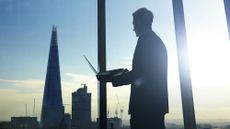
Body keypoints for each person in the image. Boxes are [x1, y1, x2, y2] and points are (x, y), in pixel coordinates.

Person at [97, 8, 168, 129]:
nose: (133, 28)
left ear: (141, 23)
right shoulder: (155, 41)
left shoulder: (146, 42)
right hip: (153, 106)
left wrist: (113, 79)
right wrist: (125, 74)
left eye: (134, 24)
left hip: (145, 107)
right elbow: (146, 73)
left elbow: (140, 74)